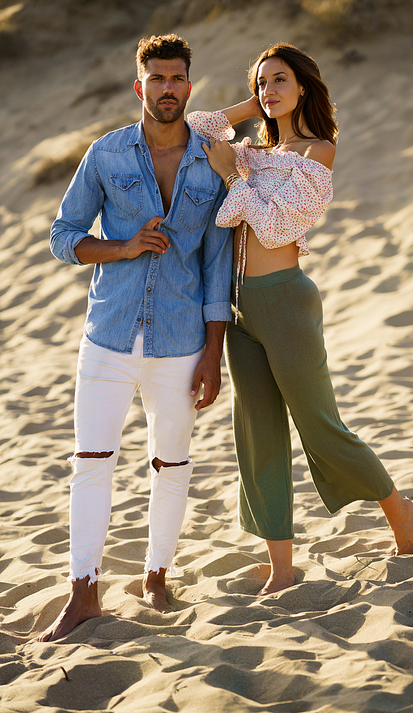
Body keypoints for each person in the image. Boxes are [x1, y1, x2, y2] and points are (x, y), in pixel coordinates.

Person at [188, 42, 413, 596]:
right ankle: (282, 567)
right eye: (262, 81)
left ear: (304, 88)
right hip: (239, 303)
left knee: (319, 424)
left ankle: (397, 508)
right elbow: (199, 125)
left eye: (280, 80)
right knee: (258, 432)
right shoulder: (250, 148)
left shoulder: (318, 152)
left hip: (286, 300)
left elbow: (273, 229)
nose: (270, 89)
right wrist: (249, 109)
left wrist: (231, 180)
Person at [39, 34, 233, 641]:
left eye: (177, 79)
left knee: (172, 465)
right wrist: (120, 248)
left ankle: (156, 576)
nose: (168, 89)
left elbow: (217, 263)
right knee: (91, 463)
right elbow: (62, 235)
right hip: (108, 336)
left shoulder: (214, 161)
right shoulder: (107, 154)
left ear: (189, 87)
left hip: (180, 342)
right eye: (157, 79)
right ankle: (84, 592)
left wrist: (213, 352)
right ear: (139, 86)